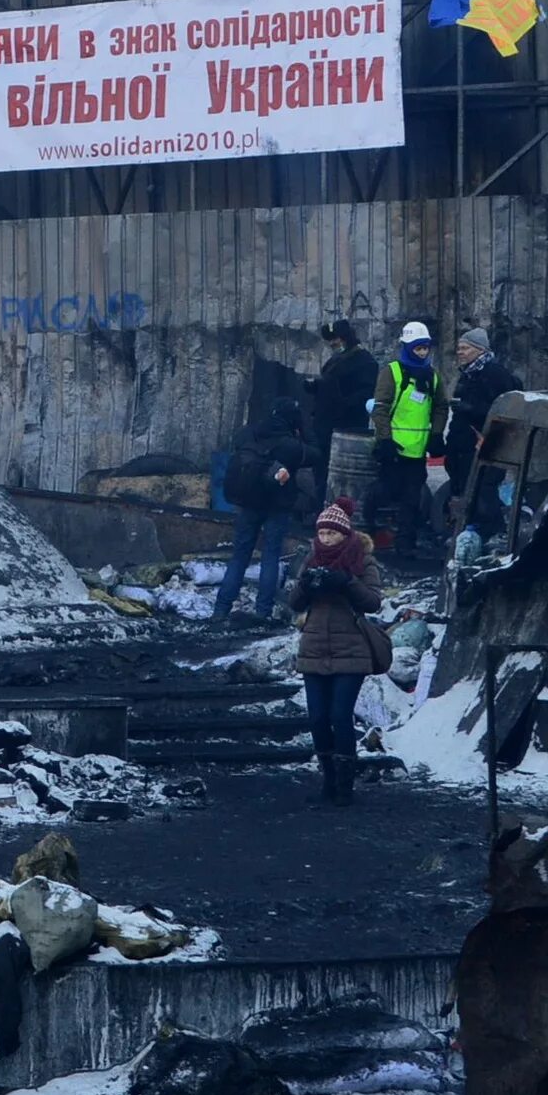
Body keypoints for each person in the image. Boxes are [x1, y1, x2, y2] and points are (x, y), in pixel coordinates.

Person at [289, 502, 383, 805]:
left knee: (340, 716)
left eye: (332, 533)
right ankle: (327, 781)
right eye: (322, 532)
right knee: (317, 718)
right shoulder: (312, 559)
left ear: (345, 534)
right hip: (315, 647)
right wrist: (306, 584)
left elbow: (373, 602)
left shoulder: (362, 561)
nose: (326, 539)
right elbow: (294, 603)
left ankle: (345, 786)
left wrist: (347, 582)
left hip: (351, 648)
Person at [214, 401, 315, 621]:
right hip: (277, 508)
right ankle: (263, 612)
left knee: (239, 557)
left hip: (247, 504)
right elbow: (317, 454)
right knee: (270, 556)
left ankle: (220, 609)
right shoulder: (290, 446)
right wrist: (304, 431)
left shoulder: (248, 434)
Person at [369, 320, 439, 565]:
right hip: (394, 451)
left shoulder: (431, 376)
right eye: (418, 348)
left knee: (411, 501)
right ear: (408, 347)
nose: (422, 352)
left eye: (425, 348)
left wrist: (437, 435)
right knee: (383, 493)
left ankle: (405, 547)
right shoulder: (392, 372)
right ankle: (367, 531)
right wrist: (385, 440)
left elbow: (440, 407)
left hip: (417, 453)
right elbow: (380, 408)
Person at [445, 328, 523, 538]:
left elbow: (503, 411)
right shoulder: (468, 374)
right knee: (468, 494)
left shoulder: (495, 374)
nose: (460, 352)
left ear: (479, 350)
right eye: (458, 348)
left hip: (487, 446)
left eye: (465, 348)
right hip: (464, 446)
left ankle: (491, 536)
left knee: (483, 495)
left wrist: (471, 409)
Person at [310, 320, 380, 481]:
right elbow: (327, 383)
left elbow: (366, 392)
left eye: (337, 339)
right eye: (331, 340)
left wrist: (344, 403)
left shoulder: (364, 361)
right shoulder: (335, 360)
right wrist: (314, 387)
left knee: (340, 475)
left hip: (347, 426)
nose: (334, 343)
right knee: (321, 471)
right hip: (325, 424)